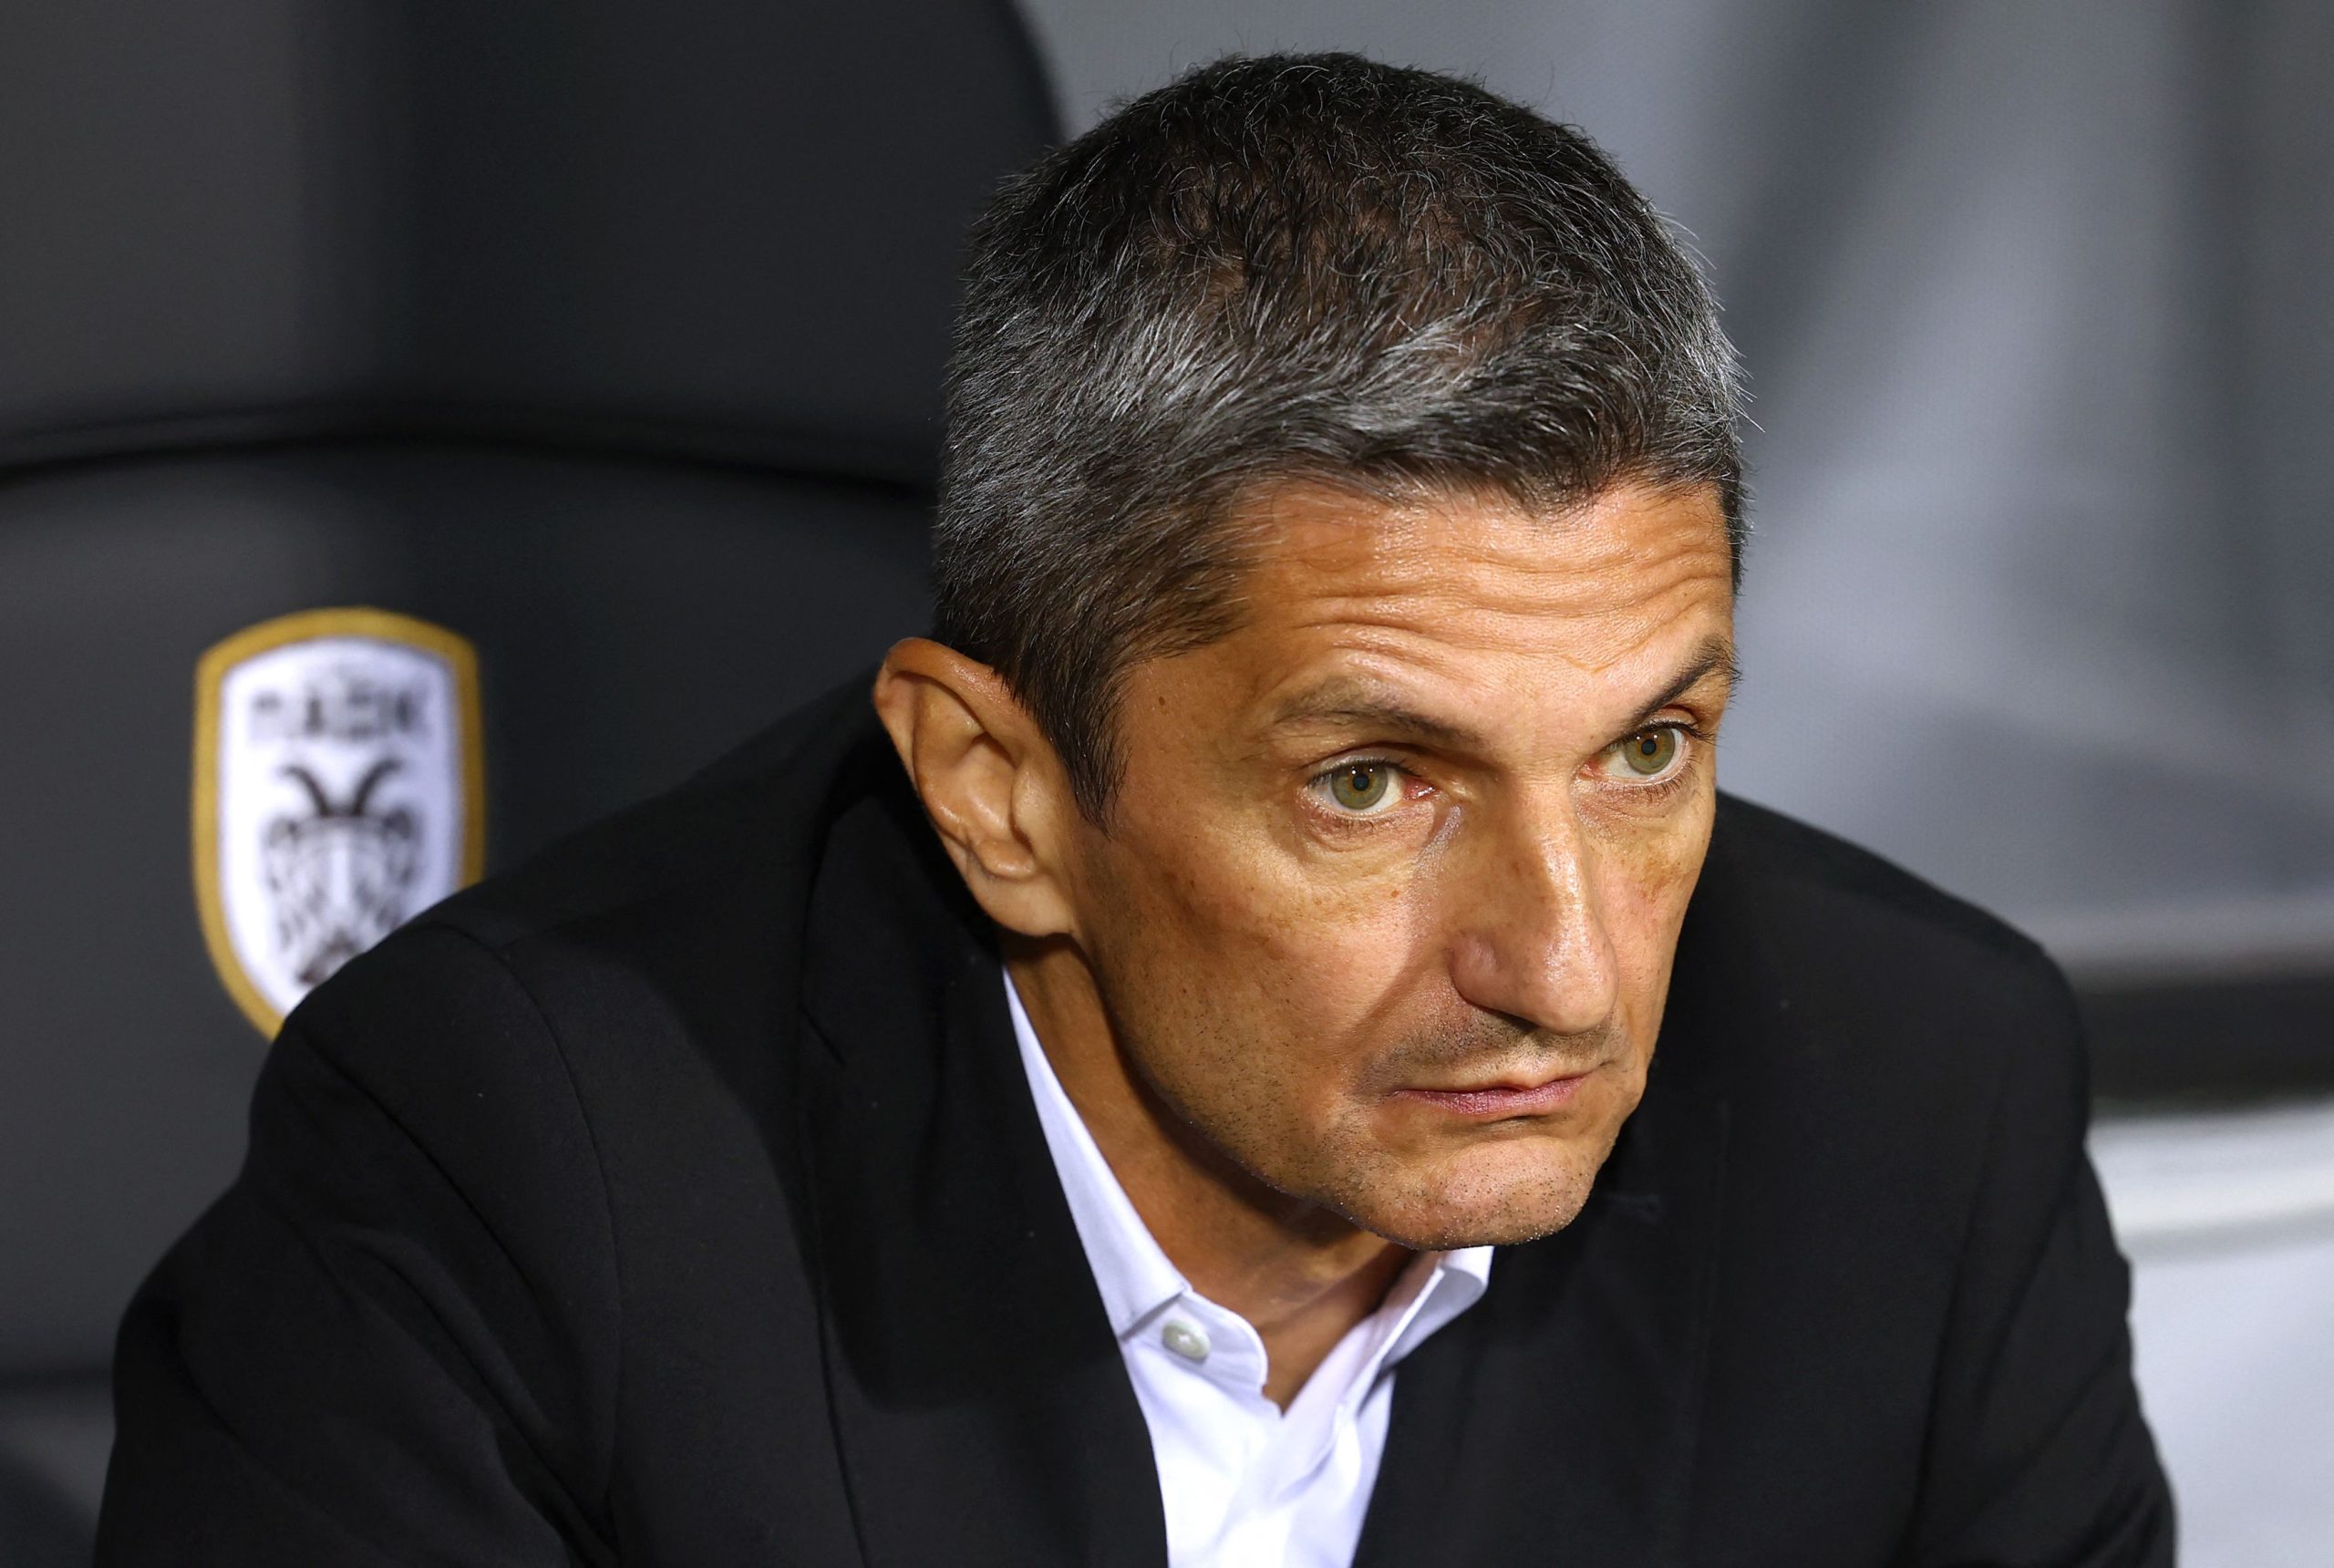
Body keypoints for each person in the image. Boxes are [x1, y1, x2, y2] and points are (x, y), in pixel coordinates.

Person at [97, 53, 2173, 1567]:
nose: (1564, 967)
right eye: (1371, 783)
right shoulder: (516, 1162)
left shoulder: (1915, 1107)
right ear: (996, 794)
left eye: (1646, 751)